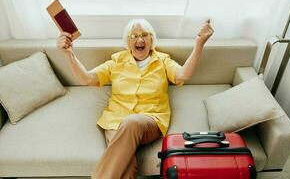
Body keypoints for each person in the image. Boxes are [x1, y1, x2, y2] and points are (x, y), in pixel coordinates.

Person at [57, 19, 214, 179]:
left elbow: (183, 74)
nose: (139, 39)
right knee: (127, 169)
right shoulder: (116, 61)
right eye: (134, 36)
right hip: (115, 122)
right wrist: (69, 54)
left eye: (144, 35)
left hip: (150, 120)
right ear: (127, 42)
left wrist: (199, 43)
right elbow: (87, 79)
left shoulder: (163, 61)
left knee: (131, 122)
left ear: (151, 39)